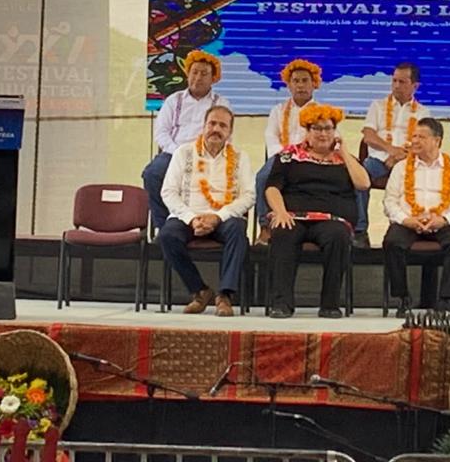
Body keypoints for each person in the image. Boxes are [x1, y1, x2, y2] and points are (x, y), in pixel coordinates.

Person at [265, 104, 370, 318]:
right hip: (294, 216)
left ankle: (330, 304)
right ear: (307, 130)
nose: (323, 134)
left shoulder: (345, 160)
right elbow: (272, 187)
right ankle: (282, 304)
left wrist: (344, 152)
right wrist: (281, 212)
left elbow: (364, 183)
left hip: (332, 220)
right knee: (283, 233)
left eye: (328, 128)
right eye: (317, 129)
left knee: (338, 236)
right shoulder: (289, 156)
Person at [158, 106, 254, 317]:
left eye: (222, 125)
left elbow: (249, 195)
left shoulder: (240, 157)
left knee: (238, 231)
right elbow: (168, 192)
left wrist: (218, 217)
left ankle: (225, 296)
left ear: (230, 132)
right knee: (167, 236)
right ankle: (200, 291)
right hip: (187, 216)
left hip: (223, 217)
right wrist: (192, 219)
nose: (216, 129)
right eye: (212, 123)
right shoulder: (183, 153)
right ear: (203, 126)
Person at [381, 117, 450, 317]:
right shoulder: (401, 168)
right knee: (392, 242)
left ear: (436, 141)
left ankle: (445, 301)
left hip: (442, 222)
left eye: (421, 137)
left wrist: (444, 220)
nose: (414, 141)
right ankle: (402, 298)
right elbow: (389, 202)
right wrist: (406, 220)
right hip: (409, 221)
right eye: (413, 136)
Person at [142, 50, 229, 232]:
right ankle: (163, 227)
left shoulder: (220, 103)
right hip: (173, 152)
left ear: (213, 78)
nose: (198, 78)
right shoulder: (174, 100)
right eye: (194, 72)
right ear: (187, 74)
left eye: (204, 74)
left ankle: (204, 224)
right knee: (152, 174)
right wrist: (178, 152)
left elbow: (225, 134)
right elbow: (161, 132)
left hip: (206, 155)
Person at [360, 63, 432, 249]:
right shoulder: (377, 106)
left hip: (408, 162)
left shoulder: (423, 112)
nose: (396, 86)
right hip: (378, 161)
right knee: (359, 178)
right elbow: (368, 136)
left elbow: (422, 143)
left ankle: (404, 229)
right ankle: (360, 231)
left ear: (415, 85)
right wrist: (391, 151)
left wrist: (400, 158)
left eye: (402, 82)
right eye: (394, 81)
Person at [254, 58, 321, 242]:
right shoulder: (278, 110)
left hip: (309, 159)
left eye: (305, 81)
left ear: (314, 84)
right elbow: (271, 136)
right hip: (281, 157)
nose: (300, 85)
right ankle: (265, 227)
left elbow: (326, 139)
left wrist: (302, 155)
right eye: (295, 81)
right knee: (262, 177)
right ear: (289, 85)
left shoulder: (322, 111)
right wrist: (285, 155)